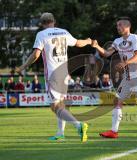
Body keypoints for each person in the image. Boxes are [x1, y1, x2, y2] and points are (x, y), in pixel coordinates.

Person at [15, 12, 92, 142]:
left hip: (53, 74)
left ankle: (79, 125)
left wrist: (23, 67)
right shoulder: (63, 32)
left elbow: (36, 54)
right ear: (54, 21)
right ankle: (60, 133)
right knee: (60, 104)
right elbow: (78, 43)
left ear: (42, 23)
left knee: (54, 106)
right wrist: (88, 41)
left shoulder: (41, 34)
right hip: (64, 73)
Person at [92, 17, 137, 139]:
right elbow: (107, 54)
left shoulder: (134, 38)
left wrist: (125, 63)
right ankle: (114, 131)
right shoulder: (117, 41)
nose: (118, 27)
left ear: (127, 27)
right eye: (117, 26)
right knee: (117, 101)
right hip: (127, 77)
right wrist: (97, 46)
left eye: (120, 25)